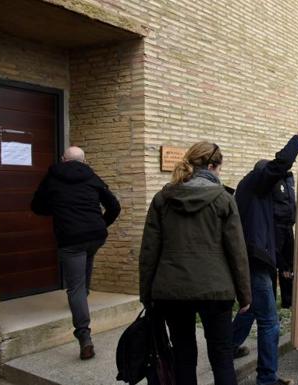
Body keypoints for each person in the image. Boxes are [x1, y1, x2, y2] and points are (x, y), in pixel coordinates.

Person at [139, 142, 251, 385]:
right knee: (221, 356)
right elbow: (237, 252)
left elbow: (149, 251)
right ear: (212, 166)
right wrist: (245, 296)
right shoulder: (223, 199)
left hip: (172, 290)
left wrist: (146, 293)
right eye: (219, 168)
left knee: (183, 355)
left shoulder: (162, 198)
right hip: (216, 289)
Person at [232, 119, 298, 385]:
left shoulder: (268, 198)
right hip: (255, 260)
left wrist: (287, 265)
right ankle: (267, 379)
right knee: (270, 322)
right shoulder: (255, 182)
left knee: (251, 310)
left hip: (264, 260)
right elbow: (279, 164)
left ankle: (229, 346)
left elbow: (283, 226)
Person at [31, 146, 120, 360]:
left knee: (76, 288)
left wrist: (59, 209)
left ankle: (84, 337)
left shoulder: (53, 177)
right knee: (84, 270)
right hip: (95, 235)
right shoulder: (92, 176)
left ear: (63, 159)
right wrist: (101, 224)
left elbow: (37, 206)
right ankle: (82, 303)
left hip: (71, 238)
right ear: (83, 160)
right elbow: (114, 206)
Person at [272, 173, 296, 309]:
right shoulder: (274, 177)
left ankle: (288, 301)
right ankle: (271, 300)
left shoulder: (289, 178)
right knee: (275, 261)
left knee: (288, 264)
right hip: (276, 226)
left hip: (288, 226)